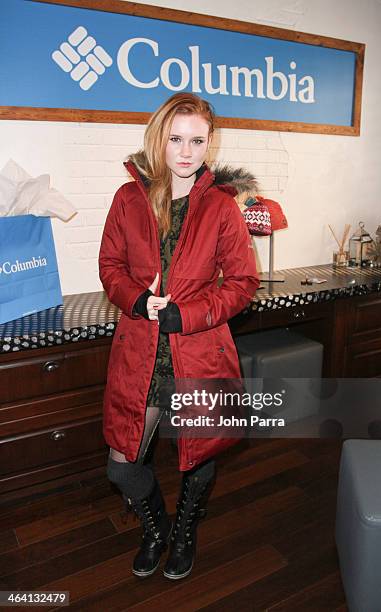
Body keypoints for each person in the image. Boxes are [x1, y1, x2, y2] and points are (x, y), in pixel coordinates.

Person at [98, 92, 259, 580]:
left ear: (210, 143)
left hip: (200, 351)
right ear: (159, 138)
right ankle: (158, 528)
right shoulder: (128, 198)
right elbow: (111, 267)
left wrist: (186, 314)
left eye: (197, 140)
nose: (186, 151)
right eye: (176, 138)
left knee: (199, 453)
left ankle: (186, 532)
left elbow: (243, 283)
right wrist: (138, 299)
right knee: (121, 466)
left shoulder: (222, 207)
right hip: (141, 354)